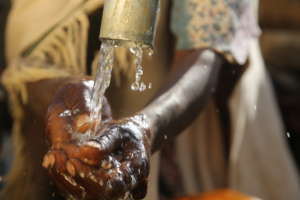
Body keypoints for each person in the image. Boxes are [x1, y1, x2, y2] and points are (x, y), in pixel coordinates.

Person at [1, 0, 299, 200]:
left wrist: (146, 128)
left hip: (193, 132)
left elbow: (206, 51)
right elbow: (26, 64)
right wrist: (62, 91)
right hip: (53, 141)